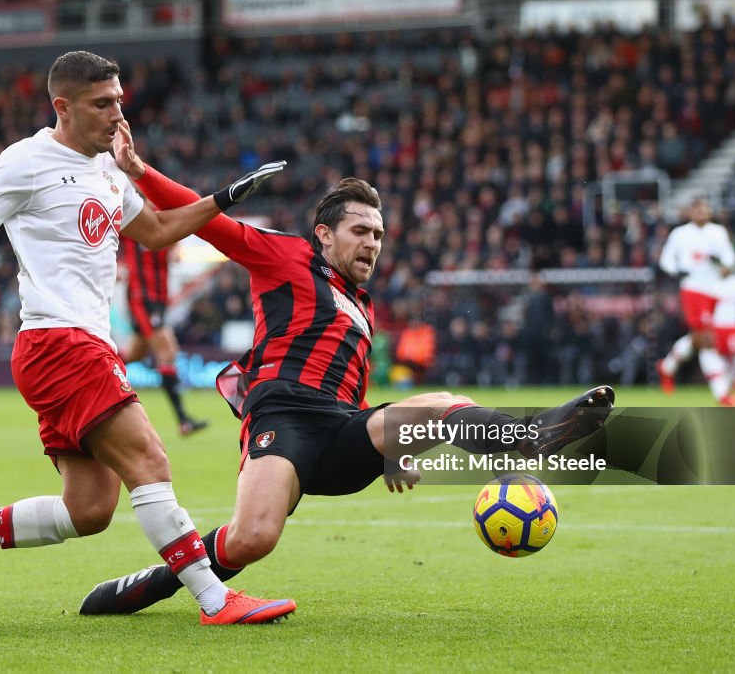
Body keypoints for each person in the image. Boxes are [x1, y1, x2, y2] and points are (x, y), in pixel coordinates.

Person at [77, 132, 614, 616]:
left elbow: (355, 393)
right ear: (325, 235)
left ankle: (532, 437)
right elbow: (209, 222)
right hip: (282, 416)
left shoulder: (362, 306)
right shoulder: (285, 256)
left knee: (442, 404)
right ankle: (159, 583)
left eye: (378, 235)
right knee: (253, 539)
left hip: (339, 429)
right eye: (361, 231)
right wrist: (141, 172)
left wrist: (391, 449)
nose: (373, 244)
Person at [0, 51, 294, 625]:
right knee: (149, 457)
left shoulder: (107, 171)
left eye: (119, 100)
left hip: (79, 345)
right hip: (58, 341)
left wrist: (225, 197)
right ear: (62, 107)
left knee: (90, 509)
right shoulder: (25, 161)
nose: (117, 113)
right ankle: (215, 599)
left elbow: (159, 231)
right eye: (102, 103)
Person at [118, 235, 208, 436]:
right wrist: (117, 264)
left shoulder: (161, 218)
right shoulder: (131, 220)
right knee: (168, 352)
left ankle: (93, 370)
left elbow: (174, 243)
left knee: (135, 353)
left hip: (159, 299)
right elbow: (107, 232)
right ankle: (184, 420)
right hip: (142, 299)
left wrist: (175, 250)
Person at [656, 197, 735, 405]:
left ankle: (666, 367)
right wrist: (679, 271)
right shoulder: (680, 234)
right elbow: (666, 260)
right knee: (706, 339)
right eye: (698, 209)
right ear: (691, 212)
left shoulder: (718, 232)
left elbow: (730, 259)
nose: (702, 212)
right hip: (692, 289)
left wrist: (726, 267)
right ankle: (722, 395)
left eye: (705, 209)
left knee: (697, 338)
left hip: (714, 291)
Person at [711, 273, 735, 405]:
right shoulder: (712, 280)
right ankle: (725, 389)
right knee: (718, 358)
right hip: (716, 326)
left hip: (733, 325)